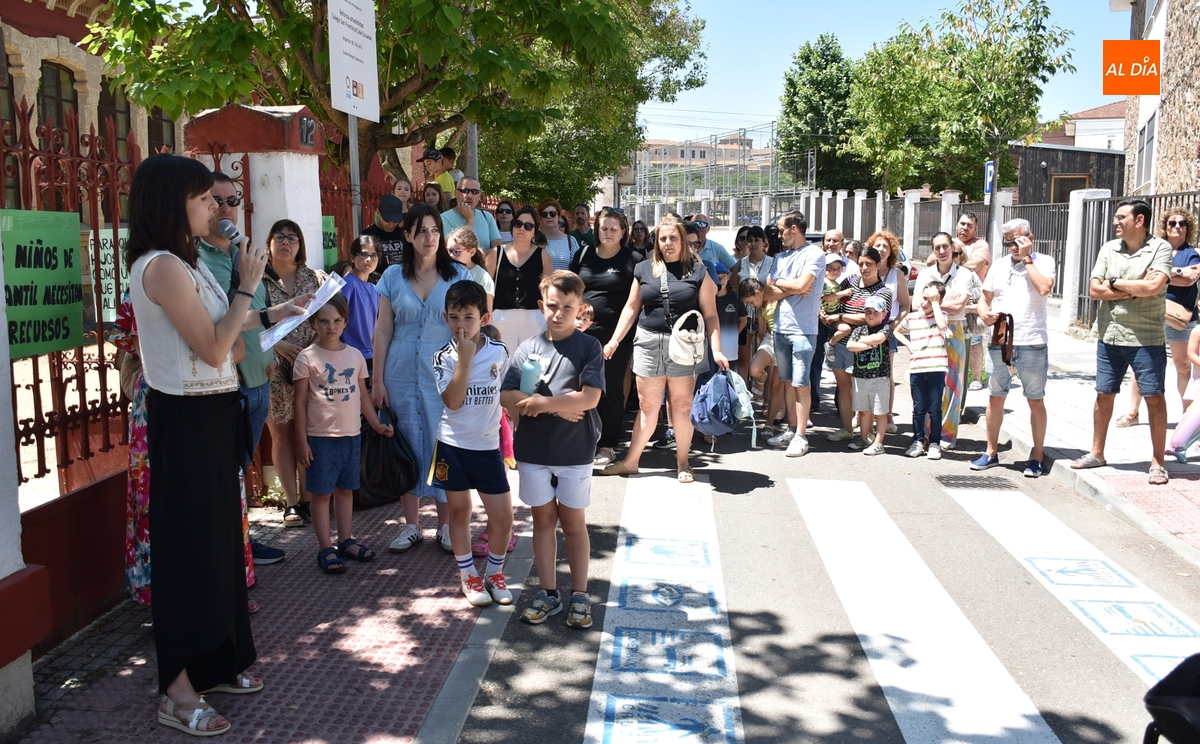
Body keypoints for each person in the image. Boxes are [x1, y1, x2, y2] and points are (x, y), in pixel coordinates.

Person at [126, 154, 305, 736]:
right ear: (172, 203)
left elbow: (227, 328)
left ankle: (216, 664)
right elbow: (212, 347)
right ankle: (177, 692)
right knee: (188, 551)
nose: (216, 208)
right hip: (184, 418)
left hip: (213, 412)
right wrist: (248, 285)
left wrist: (275, 310)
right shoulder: (161, 267)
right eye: (204, 198)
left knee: (219, 545)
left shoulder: (190, 262)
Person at [500, 271, 603, 628]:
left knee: (573, 524)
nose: (559, 314)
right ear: (541, 305)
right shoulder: (527, 348)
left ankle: (580, 594)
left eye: (567, 307)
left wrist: (538, 403)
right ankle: (548, 593)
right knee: (543, 522)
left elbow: (590, 397)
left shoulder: (589, 347)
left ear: (581, 309)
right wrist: (555, 407)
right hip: (533, 451)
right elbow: (507, 395)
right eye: (552, 306)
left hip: (575, 452)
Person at [598, 216, 729, 482]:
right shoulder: (644, 269)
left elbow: (711, 314)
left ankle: (683, 462)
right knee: (647, 406)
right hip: (648, 342)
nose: (668, 243)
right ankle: (631, 462)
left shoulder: (698, 272)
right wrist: (614, 340)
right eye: (663, 238)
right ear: (656, 241)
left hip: (684, 345)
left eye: (673, 238)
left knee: (681, 405)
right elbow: (631, 308)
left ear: (683, 241)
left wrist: (716, 350)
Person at [373, 203, 472, 552]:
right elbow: (383, 330)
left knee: (441, 444)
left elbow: (467, 327)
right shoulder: (391, 277)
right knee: (404, 443)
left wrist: (466, 374)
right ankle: (411, 525)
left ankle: (445, 526)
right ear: (407, 236)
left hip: (441, 374)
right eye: (422, 231)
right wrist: (377, 380)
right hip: (399, 371)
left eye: (434, 231)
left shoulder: (458, 275)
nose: (429, 237)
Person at [197, 172, 281, 569]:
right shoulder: (197, 262)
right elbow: (222, 321)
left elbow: (257, 313)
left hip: (259, 379)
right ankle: (234, 547)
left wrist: (271, 352)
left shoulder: (244, 253)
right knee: (225, 471)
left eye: (232, 201)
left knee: (241, 468)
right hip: (229, 383)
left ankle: (244, 539)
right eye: (216, 201)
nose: (226, 209)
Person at [1072, 198, 1174, 485]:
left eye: (1121, 217)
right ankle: (1097, 453)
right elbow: (1094, 290)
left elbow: (1153, 286)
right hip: (1110, 335)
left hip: (1146, 337)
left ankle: (1158, 462)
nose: (1115, 221)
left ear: (1139, 220)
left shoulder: (1160, 248)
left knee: (1154, 397)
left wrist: (1114, 283)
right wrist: (1132, 289)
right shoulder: (1109, 248)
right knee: (1104, 394)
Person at [431, 281, 515, 607]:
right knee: (459, 511)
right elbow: (452, 402)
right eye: (454, 317)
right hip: (452, 445)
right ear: (445, 318)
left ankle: (494, 573)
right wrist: (464, 361)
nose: (461, 325)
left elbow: (506, 393)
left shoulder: (499, 351)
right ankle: (468, 575)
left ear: (484, 317)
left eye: (469, 317)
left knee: (503, 518)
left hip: (487, 447)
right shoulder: (443, 356)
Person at [294, 295, 391, 574]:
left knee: (346, 490)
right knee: (321, 494)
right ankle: (325, 547)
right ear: (313, 323)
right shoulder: (306, 358)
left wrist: (376, 424)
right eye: (324, 321)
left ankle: (346, 540)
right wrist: (302, 441)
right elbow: (299, 402)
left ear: (345, 322)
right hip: (320, 438)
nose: (331, 326)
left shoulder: (356, 356)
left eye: (337, 321)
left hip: (351, 436)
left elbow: (363, 397)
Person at [971, 218, 1055, 476]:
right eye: (1009, 243)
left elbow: (1044, 288)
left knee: (1035, 400)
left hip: (1032, 341)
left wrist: (1027, 259)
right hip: (1000, 341)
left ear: (1030, 237)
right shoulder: (998, 265)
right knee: (995, 398)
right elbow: (984, 299)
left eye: (1019, 241)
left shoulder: (1044, 262)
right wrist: (984, 313)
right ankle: (990, 452)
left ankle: (1037, 456)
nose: (1014, 247)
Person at [265, 220, 325, 534]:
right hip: (273, 367)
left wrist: (312, 348)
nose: (286, 242)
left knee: (308, 433)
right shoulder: (257, 280)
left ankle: (308, 499)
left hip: (309, 367)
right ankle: (291, 502)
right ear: (269, 243)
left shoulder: (313, 278)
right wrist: (279, 344)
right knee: (282, 436)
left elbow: (328, 316)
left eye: (292, 238)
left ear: (300, 244)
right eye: (280, 237)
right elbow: (249, 321)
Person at [569, 206, 642, 466]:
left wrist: (615, 341)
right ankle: (581, 439)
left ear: (623, 232)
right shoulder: (583, 254)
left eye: (613, 229)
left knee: (609, 389)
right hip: (581, 333)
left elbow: (635, 303)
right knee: (578, 385)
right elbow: (572, 290)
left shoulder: (633, 259)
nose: (607, 233)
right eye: (603, 228)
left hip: (615, 336)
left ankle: (608, 443)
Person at [1119, 206, 1200, 426]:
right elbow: (1145, 274)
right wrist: (1178, 271)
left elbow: (1190, 279)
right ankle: (1133, 412)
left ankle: (1186, 416)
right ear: (1165, 226)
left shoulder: (1192, 253)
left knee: (1183, 366)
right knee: (1142, 363)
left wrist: (1163, 274)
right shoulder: (1156, 248)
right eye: (1172, 223)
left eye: (1182, 223)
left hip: (1181, 318)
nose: (1177, 227)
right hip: (1151, 313)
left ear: (1188, 228)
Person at [762, 211, 826, 456]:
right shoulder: (780, 257)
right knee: (787, 382)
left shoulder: (815, 254)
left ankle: (801, 436)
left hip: (803, 330)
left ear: (794, 229)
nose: (779, 235)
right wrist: (792, 287)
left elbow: (802, 285)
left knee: (801, 384)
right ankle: (791, 429)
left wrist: (782, 283)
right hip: (781, 328)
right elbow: (767, 292)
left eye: (781, 230)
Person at [912, 231, 977, 450]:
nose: (942, 251)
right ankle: (926, 434)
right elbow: (916, 305)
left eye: (945, 246)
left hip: (954, 330)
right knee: (928, 381)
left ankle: (947, 436)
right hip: (928, 330)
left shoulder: (964, 274)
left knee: (953, 384)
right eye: (937, 247)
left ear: (952, 248)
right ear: (933, 250)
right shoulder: (925, 274)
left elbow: (959, 307)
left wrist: (932, 301)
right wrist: (944, 302)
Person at [822, 246, 893, 442]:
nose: (864, 268)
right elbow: (833, 300)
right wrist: (825, 313)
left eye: (869, 264)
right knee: (844, 388)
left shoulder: (883, 292)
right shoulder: (849, 281)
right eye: (861, 263)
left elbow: (869, 317)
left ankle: (866, 434)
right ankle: (847, 429)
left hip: (864, 348)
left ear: (878, 265)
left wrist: (840, 316)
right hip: (839, 343)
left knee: (863, 390)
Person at [895, 281, 949, 459]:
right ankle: (918, 440)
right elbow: (897, 331)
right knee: (918, 408)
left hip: (936, 367)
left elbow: (942, 326)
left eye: (931, 299)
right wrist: (909, 344)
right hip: (917, 368)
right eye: (924, 298)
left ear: (939, 302)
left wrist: (935, 303)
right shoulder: (912, 317)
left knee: (935, 408)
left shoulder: (942, 315)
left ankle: (934, 443)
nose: (926, 302)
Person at [489, 205, 553, 350]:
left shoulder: (543, 256)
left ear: (535, 232)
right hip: (501, 317)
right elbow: (487, 289)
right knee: (500, 360)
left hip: (534, 318)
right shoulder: (496, 253)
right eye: (518, 224)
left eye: (528, 226)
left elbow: (548, 292)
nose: (522, 229)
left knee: (532, 361)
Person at [868, 230, 910, 435]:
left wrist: (894, 326)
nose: (881, 249)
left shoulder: (896, 275)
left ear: (892, 250)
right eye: (878, 245)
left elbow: (905, 305)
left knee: (886, 375)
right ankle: (862, 415)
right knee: (863, 374)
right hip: (865, 330)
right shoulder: (865, 271)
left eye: (886, 246)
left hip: (888, 331)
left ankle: (888, 415)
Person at [846, 296, 893, 455]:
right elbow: (850, 345)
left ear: (884, 314)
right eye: (867, 312)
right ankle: (864, 438)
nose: (871, 315)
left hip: (879, 377)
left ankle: (879, 443)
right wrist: (870, 345)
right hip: (860, 377)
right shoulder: (858, 330)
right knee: (864, 411)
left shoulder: (885, 328)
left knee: (880, 412)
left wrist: (863, 342)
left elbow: (879, 338)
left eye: (875, 312)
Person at [338, 235, 381, 383]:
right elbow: (336, 317)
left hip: (370, 356)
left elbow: (375, 324)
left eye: (373, 255)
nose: (368, 259)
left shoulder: (374, 289)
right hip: (349, 355)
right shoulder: (348, 283)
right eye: (363, 254)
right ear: (352, 257)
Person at [441, 177, 501, 251]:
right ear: (455, 193)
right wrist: (470, 220)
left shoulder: (487, 216)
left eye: (474, 192)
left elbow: (498, 250)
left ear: (479, 196)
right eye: (465, 191)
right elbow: (457, 251)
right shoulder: (443, 219)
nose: (469, 195)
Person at [714, 263, 747, 394]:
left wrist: (734, 335)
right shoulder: (709, 297)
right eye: (717, 277)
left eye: (723, 277)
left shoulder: (735, 297)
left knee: (729, 379)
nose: (721, 280)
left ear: (728, 277)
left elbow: (744, 320)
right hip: (712, 347)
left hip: (730, 347)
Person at [448, 226, 495, 312]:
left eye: (457, 252)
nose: (451, 256)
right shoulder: (443, 272)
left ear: (472, 252)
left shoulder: (483, 277)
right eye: (449, 251)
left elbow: (487, 314)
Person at [363, 195, 407, 271]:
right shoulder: (367, 236)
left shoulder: (404, 234)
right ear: (378, 213)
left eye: (395, 221)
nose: (391, 225)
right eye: (387, 220)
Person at [537, 199, 579, 271]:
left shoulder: (570, 241)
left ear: (559, 216)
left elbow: (577, 268)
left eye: (552, 213)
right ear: (540, 218)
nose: (548, 216)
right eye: (544, 214)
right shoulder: (535, 241)